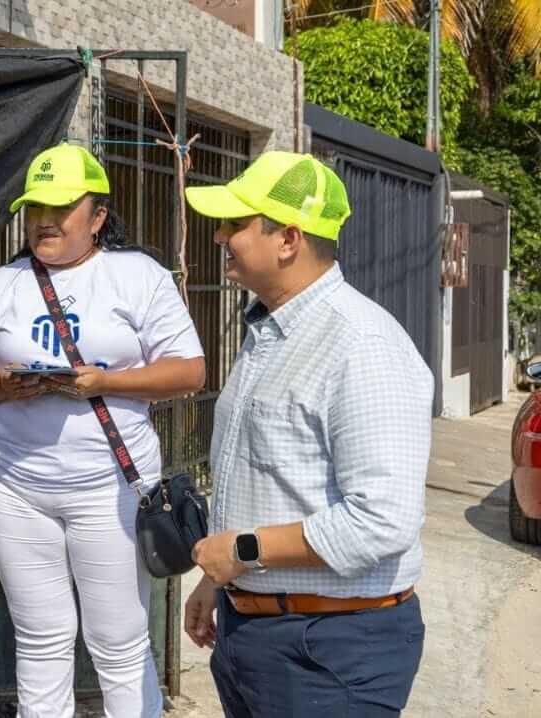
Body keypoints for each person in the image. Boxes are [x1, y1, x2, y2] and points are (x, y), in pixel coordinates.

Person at [0, 144, 205, 717]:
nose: (45, 220)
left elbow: (189, 369)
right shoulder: (1, 286)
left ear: (98, 217)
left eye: (61, 207)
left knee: (118, 640)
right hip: (14, 488)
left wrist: (106, 381)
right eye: (35, 207)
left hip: (107, 489)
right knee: (40, 637)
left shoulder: (136, 276)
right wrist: (1, 386)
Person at [182, 152, 432, 717]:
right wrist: (219, 585)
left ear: (288, 239)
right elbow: (271, 482)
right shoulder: (271, 332)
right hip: (262, 634)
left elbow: (382, 519)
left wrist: (243, 551)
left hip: (331, 648)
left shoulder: (361, 346)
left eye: (235, 225)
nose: (220, 237)